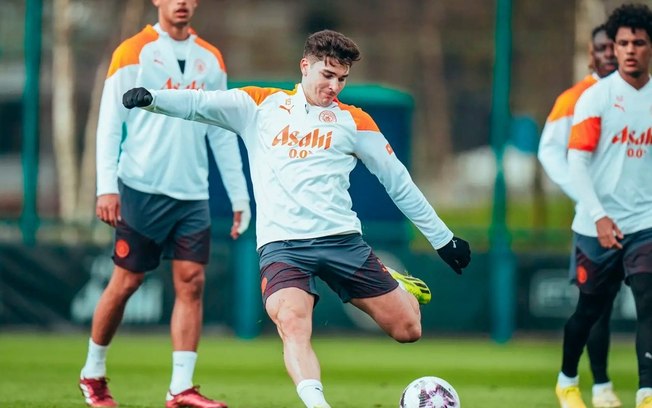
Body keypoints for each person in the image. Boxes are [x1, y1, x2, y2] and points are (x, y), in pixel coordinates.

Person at [122, 29, 472, 408]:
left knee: (408, 329)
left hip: (342, 242)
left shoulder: (355, 122)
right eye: (327, 75)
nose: (334, 86)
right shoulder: (260, 106)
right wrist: (152, 99)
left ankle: (392, 281)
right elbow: (198, 103)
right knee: (292, 323)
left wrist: (443, 239)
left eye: (342, 79)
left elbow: (399, 183)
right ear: (305, 66)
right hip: (282, 247)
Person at [79, 1, 251, 407]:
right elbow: (109, 124)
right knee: (127, 282)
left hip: (193, 194)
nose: (182, 3)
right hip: (140, 187)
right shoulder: (132, 51)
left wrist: (239, 194)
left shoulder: (211, 58)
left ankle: (180, 389)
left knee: (192, 283)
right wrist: (107, 188)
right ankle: (92, 373)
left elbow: (222, 131)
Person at [564, 4, 652, 408]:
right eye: (622, 43)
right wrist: (598, 215)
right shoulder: (596, 97)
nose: (630, 50)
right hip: (595, 225)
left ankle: (646, 393)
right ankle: (567, 379)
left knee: (648, 301)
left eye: (638, 42)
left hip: (645, 223)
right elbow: (576, 161)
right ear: (613, 48)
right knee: (589, 311)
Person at [539, 25, 622, 408]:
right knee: (596, 306)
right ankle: (600, 387)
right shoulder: (574, 98)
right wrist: (586, 198)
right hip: (593, 222)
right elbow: (550, 153)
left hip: (638, 218)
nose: (608, 53)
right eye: (601, 47)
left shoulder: (635, 96)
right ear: (591, 53)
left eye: (614, 47)